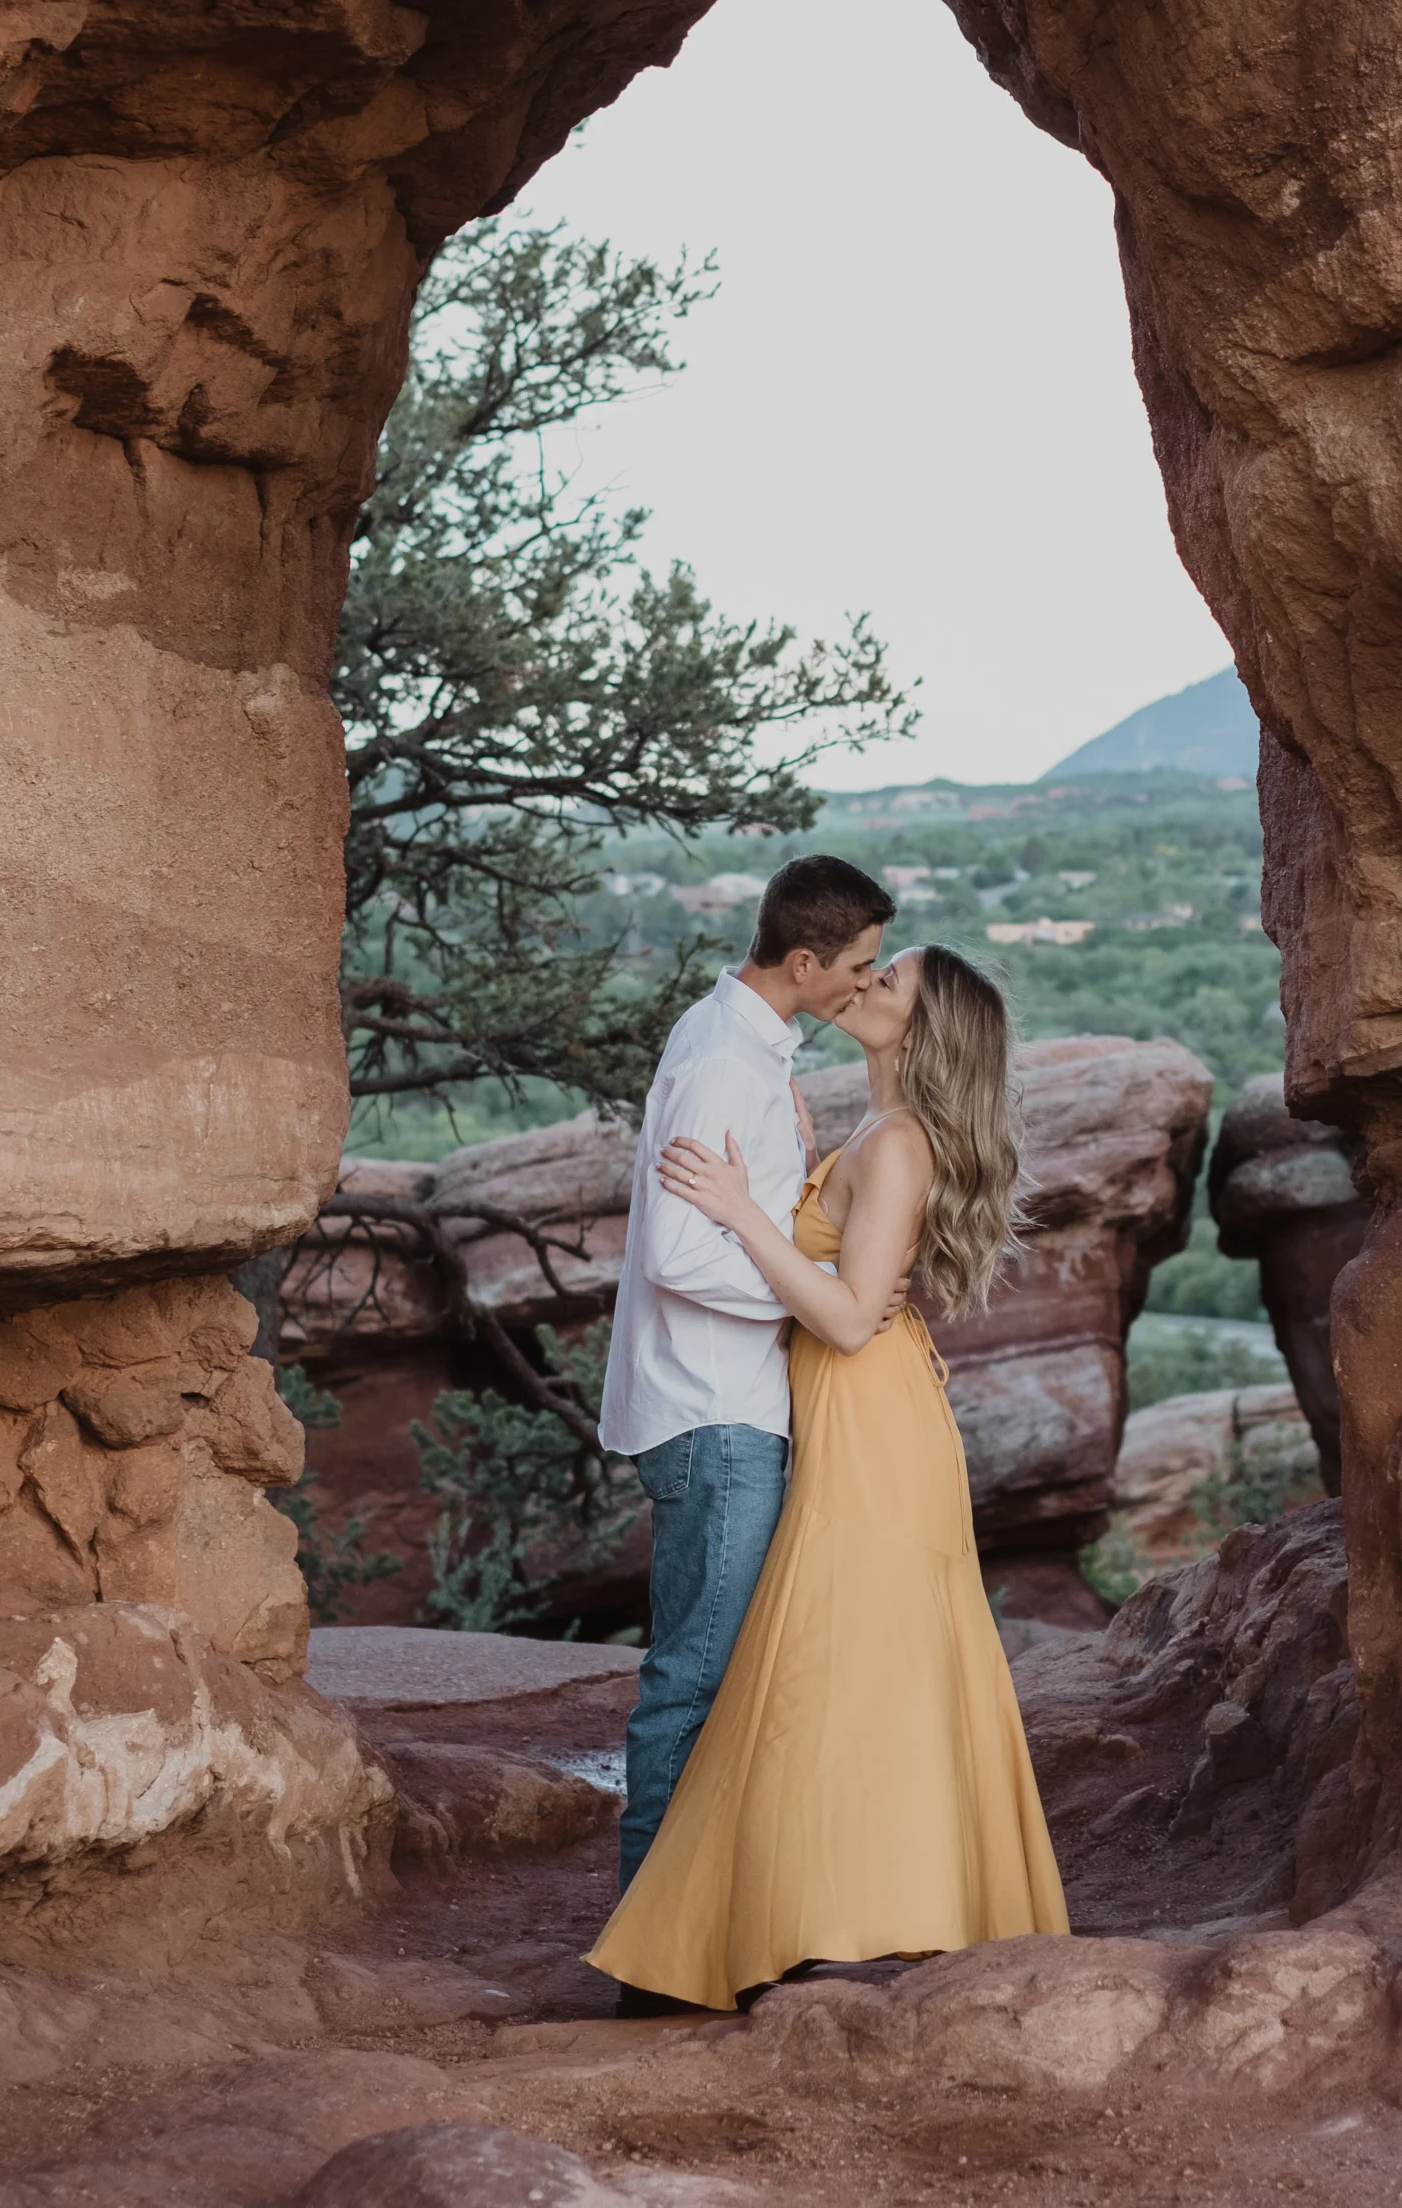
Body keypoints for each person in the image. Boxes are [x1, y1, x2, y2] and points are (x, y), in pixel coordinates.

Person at [587, 943, 1069, 2013]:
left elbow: (850, 1319)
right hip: (856, 1417)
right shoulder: (878, 1134)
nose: (864, 986)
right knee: (829, 1677)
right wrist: (802, 1168)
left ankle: (776, 1935)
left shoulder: (898, 1143)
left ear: (923, 1028)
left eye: (886, 981)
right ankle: (790, 1926)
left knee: (818, 1677)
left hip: (869, 1421)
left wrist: (747, 1210)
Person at [599, 853, 899, 2001]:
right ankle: (652, 1958)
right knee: (693, 1682)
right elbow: (682, 1254)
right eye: (856, 968)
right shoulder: (726, 1059)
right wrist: (814, 1291)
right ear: (803, 959)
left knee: (727, 1679)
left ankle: (702, 1930)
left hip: (720, 1405)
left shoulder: (738, 1044)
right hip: (718, 1413)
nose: (862, 989)